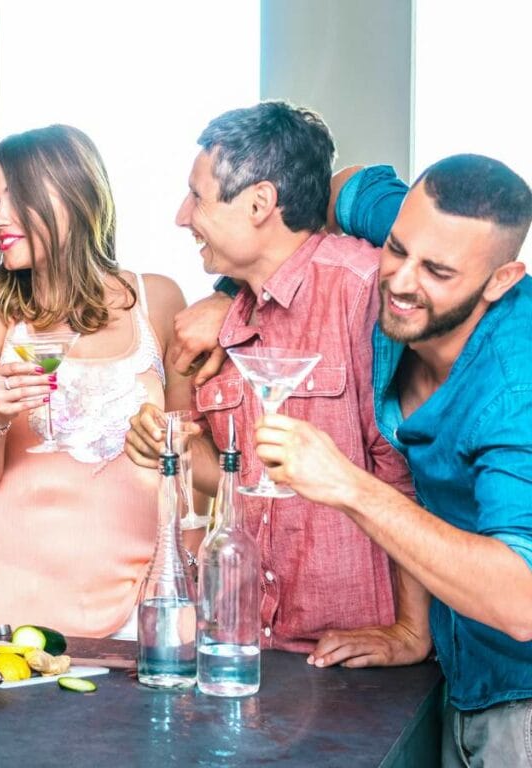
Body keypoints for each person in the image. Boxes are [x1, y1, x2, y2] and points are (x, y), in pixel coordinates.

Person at [253, 154, 532, 767]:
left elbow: (521, 600)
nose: (403, 281)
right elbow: (337, 187)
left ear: (501, 280)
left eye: (437, 271)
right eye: (397, 249)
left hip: (522, 703)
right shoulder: (421, 229)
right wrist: (226, 294)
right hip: (453, 675)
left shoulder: (516, 392)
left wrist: (348, 486)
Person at [125, 101, 424, 655]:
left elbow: (407, 474)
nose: (182, 215)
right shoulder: (220, 318)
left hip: (356, 655)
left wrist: (411, 633)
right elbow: (225, 478)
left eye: (198, 196)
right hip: (255, 646)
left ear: (260, 202)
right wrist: (167, 447)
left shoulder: (362, 292)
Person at [0, 124, 193, 639]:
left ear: (72, 198)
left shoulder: (158, 302)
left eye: (17, 199)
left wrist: (177, 578)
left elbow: (190, 466)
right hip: (12, 610)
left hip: (140, 606)